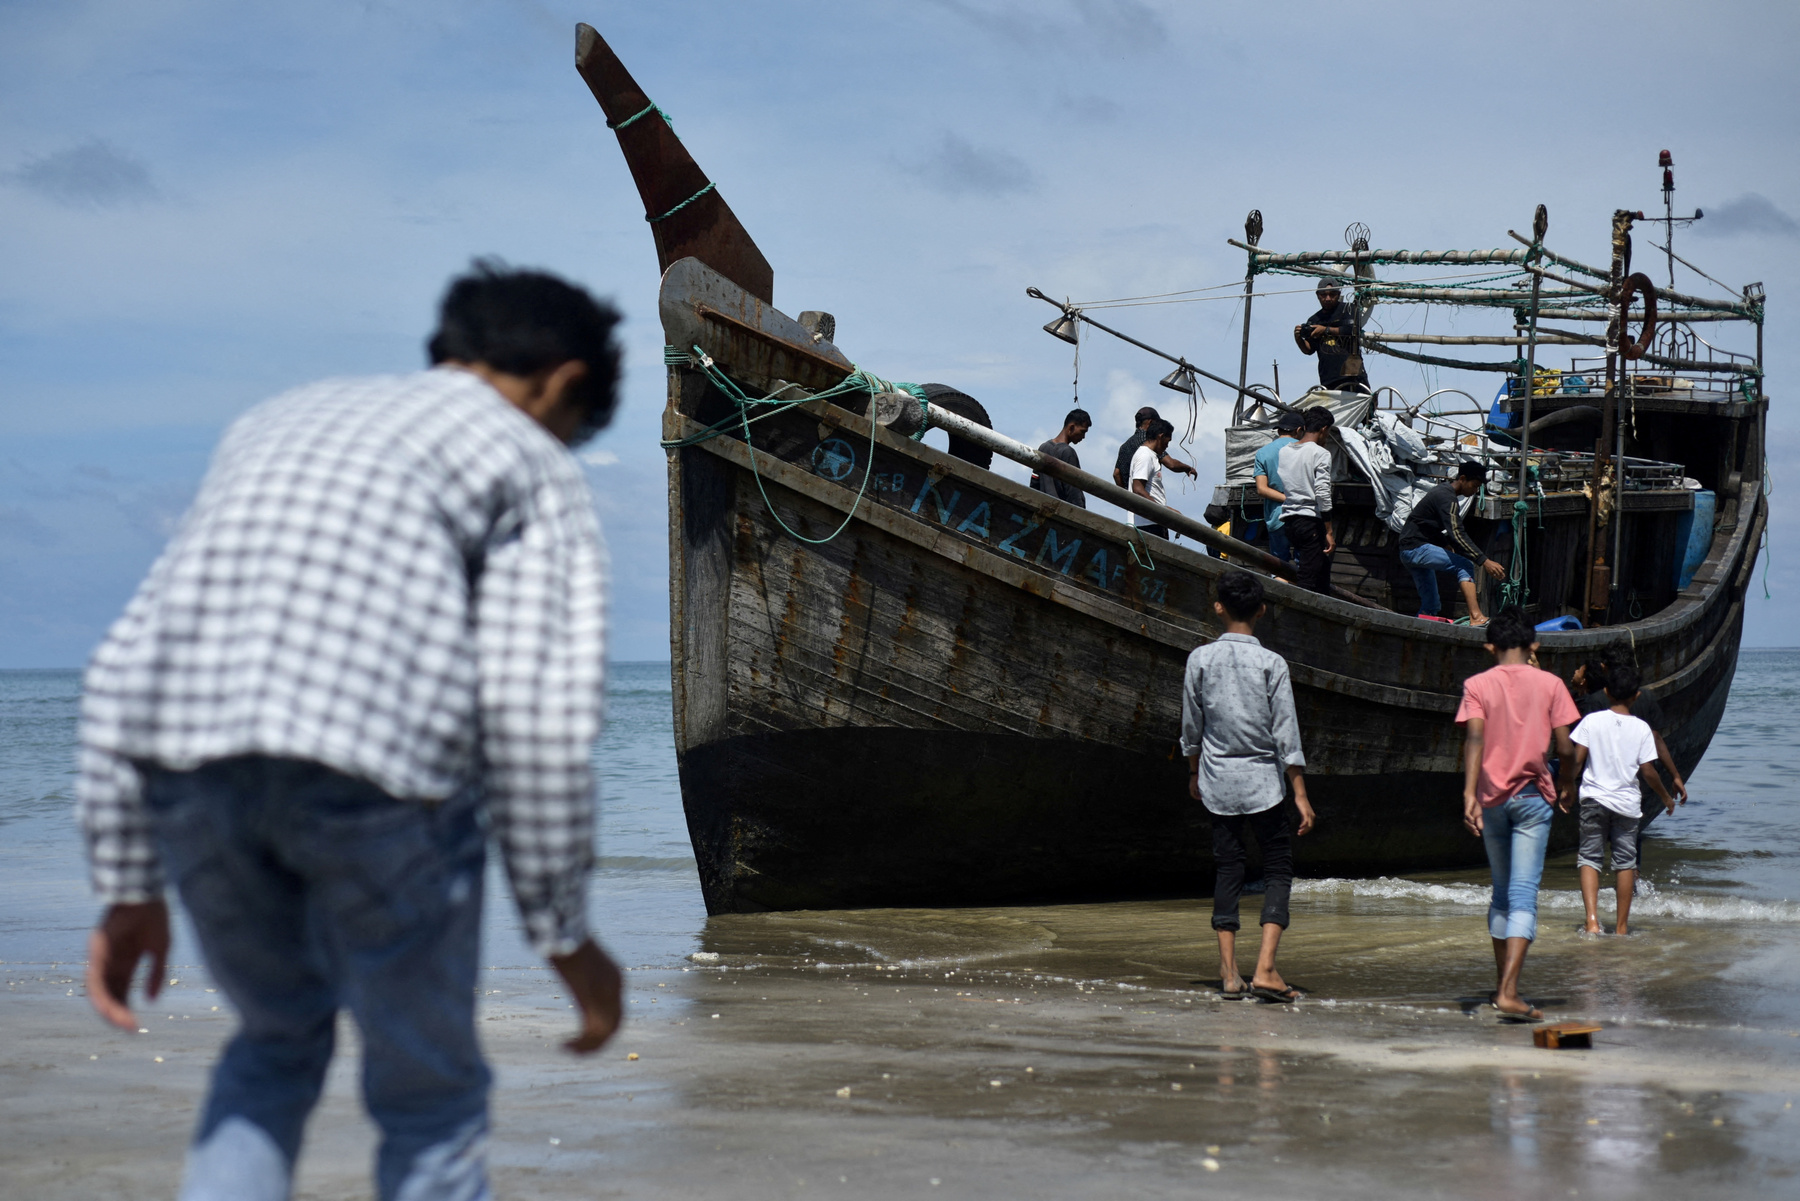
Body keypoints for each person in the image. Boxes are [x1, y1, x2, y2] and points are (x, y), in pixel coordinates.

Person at [77, 261, 627, 1201]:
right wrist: (563, 931)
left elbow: (128, 660)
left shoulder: (278, 422)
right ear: (566, 383)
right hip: (379, 783)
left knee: (274, 1043)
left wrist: (127, 882)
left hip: (191, 775)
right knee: (431, 1099)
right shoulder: (527, 459)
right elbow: (533, 717)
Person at [1180, 570, 1315, 1002]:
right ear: (1261, 610)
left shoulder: (1199, 659)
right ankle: (1267, 969)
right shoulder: (1272, 663)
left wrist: (1194, 769)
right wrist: (1300, 792)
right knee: (1277, 869)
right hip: (1264, 784)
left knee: (1228, 870)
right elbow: (1285, 733)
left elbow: (1191, 725)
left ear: (1218, 607)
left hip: (1218, 781)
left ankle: (1229, 974)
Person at [1454, 606, 1581, 1021]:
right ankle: (1509, 991)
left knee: (1502, 893)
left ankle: (1502, 987)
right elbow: (1564, 745)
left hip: (1491, 798)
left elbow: (1474, 739)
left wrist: (1470, 794)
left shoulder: (1477, 684)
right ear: (1534, 645)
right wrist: (1568, 783)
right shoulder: (1551, 683)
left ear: (1490, 646)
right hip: (1531, 798)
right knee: (1524, 894)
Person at [1565, 663, 1677, 936]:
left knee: (1590, 858)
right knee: (1625, 863)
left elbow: (1577, 760)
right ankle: (1621, 928)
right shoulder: (1641, 728)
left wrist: (1566, 787)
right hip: (1627, 804)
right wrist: (1665, 797)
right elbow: (1648, 771)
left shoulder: (1592, 721)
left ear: (1606, 692)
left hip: (1593, 799)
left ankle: (1592, 922)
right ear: (1636, 696)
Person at [1576, 655, 1689, 829]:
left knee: (1590, 853)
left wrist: (1567, 783)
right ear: (1636, 695)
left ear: (1604, 668)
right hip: (1630, 794)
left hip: (1596, 794)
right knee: (1627, 852)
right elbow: (1653, 750)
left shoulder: (1594, 705)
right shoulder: (1646, 704)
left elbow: (1579, 756)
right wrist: (1673, 780)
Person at [1399, 461, 1506, 625]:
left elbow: (1427, 524)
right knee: (1465, 565)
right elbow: (1457, 533)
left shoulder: (1442, 493)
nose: (1475, 490)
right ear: (1462, 478)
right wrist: (1484, 560)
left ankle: (1416, 632)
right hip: (1416, 548)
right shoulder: (1446, 497)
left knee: (1431, 605)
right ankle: (1476, 617)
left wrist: (1444, 544)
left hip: (1409, 549)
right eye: (1474, 485)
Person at [1276, 408, 1336, 594]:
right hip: (1310, 520)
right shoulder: (1320, 453)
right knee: (1309, 581)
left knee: (1319, 572)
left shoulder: (1285, 451)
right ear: (1324, 429)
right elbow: (1323, 493)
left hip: (1290, 520)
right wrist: (1328, 530)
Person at [1292, 282, 1369, 391]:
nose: (1328, 298)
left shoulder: (1349, 309)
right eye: (1323, 295)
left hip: (1353, 376)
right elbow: (1308, 349)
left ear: (1338, 294)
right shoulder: (1314, 320)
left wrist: (1325, 330)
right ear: (1318, 295)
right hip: (1328, 379)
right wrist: (1299, 339)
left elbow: (1353, 330)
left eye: (1332, 294)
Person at [1253, 409, 1305, 563]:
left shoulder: (1263, 453)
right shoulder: (1308, 450)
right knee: (1303, 565)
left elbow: (1262, 489)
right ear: (1299, 430)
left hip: (1276, 517)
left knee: (1280, 565)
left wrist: (1285, 498)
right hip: (1303, 515)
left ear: (1279, 430)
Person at [1113, 405, 1198, 488]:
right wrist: (1187, 468)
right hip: (1144, 495)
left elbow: (1116, 474)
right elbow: (1171, 464)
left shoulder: (1124, 446)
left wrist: (1126, 495)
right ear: (1150, 422)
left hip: (1131, 497)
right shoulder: (1148, 441)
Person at [1029, 408, 1091, 508]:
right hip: (1061, 513)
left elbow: (1034, 483)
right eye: (1082, 431)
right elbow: (1073, 492)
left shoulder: (1043, 447)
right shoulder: (1068, 453)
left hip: (1043, 508)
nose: (1083, 437)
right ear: (1071, 427)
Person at [1129, 418, 1178, 538]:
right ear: (1160, 437)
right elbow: (1138, 489)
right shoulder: (1145, 456)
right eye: (1167, 442)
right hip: (1148, 524)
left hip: (1154, 521)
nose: (1167, 446)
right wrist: (1162, 511)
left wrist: (1167, 510)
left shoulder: (1151, 456)